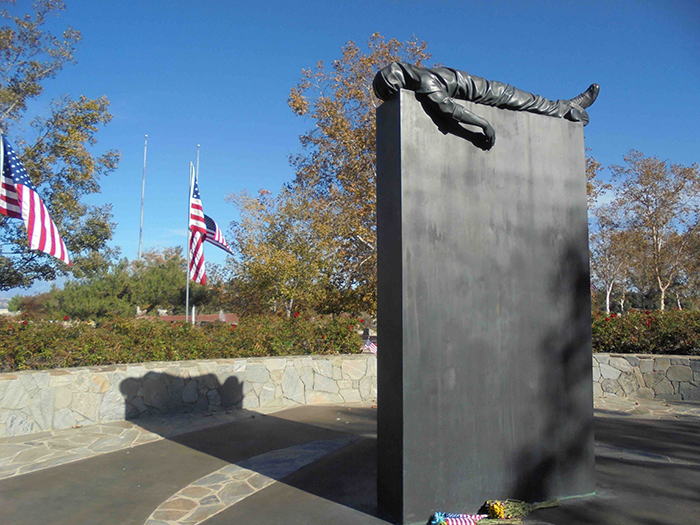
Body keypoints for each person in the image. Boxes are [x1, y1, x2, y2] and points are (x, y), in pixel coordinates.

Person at [373, 62, 599, 148]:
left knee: (528, 100)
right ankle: (567, 108)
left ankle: (566, 107)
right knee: (528, 102)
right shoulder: (425, 84)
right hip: (485, 94)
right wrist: (483, 125)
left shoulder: (421, 76)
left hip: (482, 87)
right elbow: (451, 110)